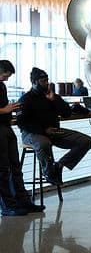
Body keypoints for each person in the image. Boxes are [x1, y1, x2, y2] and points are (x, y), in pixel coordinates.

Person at [18, 67, 91, 186]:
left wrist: (54, 100)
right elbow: (22, 123)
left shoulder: (52, 96)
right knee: (44, 143)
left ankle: (58, 165)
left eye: (47, 80)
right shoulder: (26, 99)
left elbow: (67, 113)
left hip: (53, 131)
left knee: (86, 141)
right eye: (43, 81)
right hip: (32, 133)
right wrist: (43, 130)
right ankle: (49, 173)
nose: (47, 83)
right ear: (34, 82)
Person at [0, 60, 41, 216]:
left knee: (15, 167)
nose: (7, 78)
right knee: (3, 169)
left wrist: (10, 109)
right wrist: (5, 110)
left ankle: (23, 201)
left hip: (7, 127)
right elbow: (3, 108)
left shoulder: (2, 86)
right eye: (5, 75)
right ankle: (7, 206)